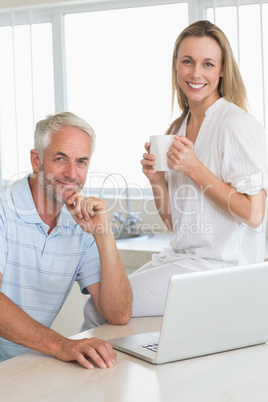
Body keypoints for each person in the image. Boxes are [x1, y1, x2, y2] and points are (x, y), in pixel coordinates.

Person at [83, 20, 267, 329]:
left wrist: (194, 168)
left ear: (222, 70)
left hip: (221, 269)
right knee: (102, 304)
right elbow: (175, 223)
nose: (196, 73)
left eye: (208, 64)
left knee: (101, 308)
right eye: (188, 62)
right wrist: (157, 181)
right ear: (176, 66)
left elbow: (255, 214)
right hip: (182, 259)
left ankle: (88, 372)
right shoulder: (178, 129)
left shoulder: (235, 124)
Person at [0, 112, 132, 368]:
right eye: (61, 159)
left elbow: (118, 314)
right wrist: (62, 345)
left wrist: (103, 235)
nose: (72, 173)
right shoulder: (4, 207)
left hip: (22, 369)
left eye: (81, 162)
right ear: (36, 160)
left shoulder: (79, 222)